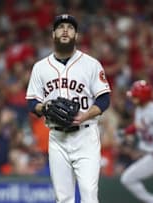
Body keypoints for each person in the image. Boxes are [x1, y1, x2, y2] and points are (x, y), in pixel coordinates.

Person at [26, 14, 111, 203]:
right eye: (61, 27)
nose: (65, 30)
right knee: (63, 198)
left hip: (85, 136)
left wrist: (86, 115)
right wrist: (45, 107)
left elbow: (104, 99)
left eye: (70, 27)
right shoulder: (40, 67)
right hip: (57, 138)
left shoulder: (91, 64)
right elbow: (32, 103)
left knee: (89, 194)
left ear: (76, 35)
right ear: (53, 34)